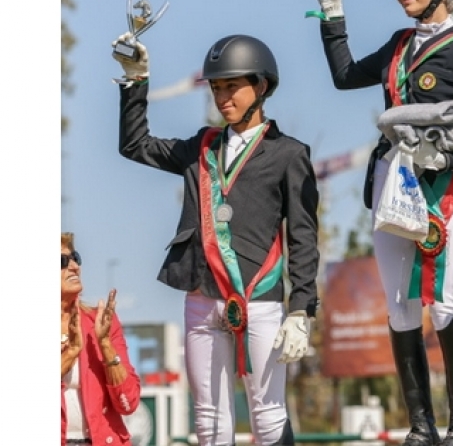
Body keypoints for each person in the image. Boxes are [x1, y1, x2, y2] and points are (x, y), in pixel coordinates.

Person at [306, 0, 453, 446]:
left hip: (442, 189)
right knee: (398, 307)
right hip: (393, 184)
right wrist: (332, 10)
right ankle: (422, 427)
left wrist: (445, 155)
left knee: (443, 305)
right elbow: (345, 75)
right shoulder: (398, 45)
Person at [111, 32, 320, 445]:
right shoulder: (200, 148)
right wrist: (136, 81)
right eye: (216, 87)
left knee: (267, 412)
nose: (222, 97)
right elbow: (135, 145)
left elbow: (302, 237)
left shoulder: (289, 154)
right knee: (208, 417)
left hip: (260, 301)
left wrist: (301, 310)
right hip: (202, 295)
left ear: (260, 87)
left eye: (232, 86)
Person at [61, 232, 141, 446]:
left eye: (75, 258)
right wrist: (70, 353)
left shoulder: (100, 322)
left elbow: (129, 403)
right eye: (62, 261)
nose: (74, 267)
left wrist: (105, 345)